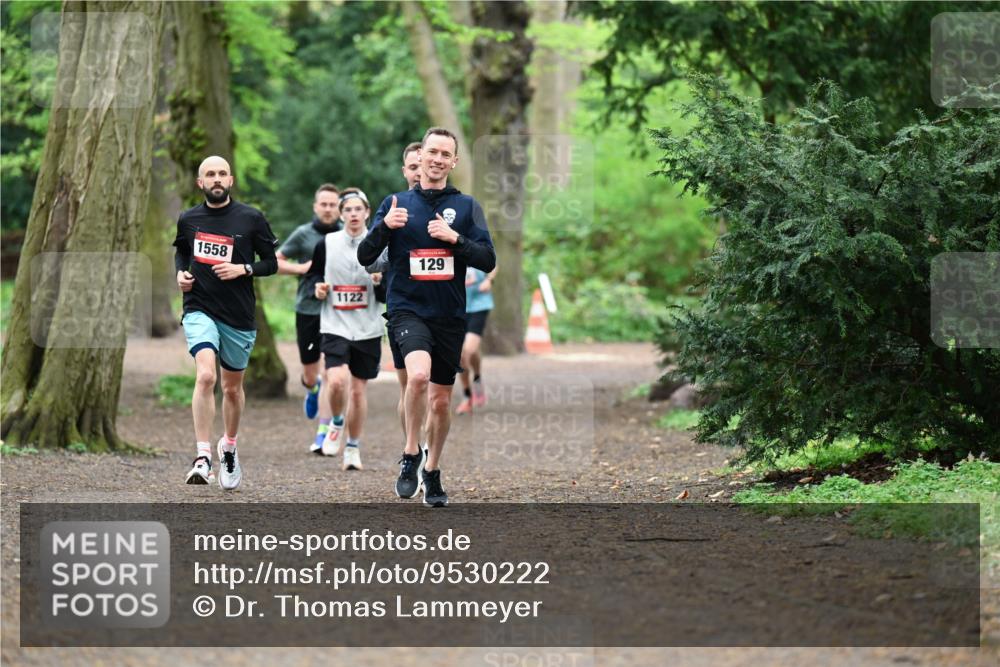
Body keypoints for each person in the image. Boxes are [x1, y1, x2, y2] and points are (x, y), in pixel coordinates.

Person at [358, 127, 496, 507]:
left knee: (440, 402)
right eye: (431, 152)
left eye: (444, 154)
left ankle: (432, 471)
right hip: (407, 309)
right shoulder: (396, 204)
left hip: (449, 314)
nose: (436, 159)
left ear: (453, 161)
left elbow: (488, 259)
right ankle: (410, 453)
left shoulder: (466, 208)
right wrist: (384, 228)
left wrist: (456, 240)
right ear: (420, 159)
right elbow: (365, 256)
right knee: (416, 377)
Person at [174, 155, 278, 490]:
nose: (216, 179)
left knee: (232, 389)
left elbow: (272, 263)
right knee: (206, 375)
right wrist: (181, 272)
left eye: (222, 173)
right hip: (199, 306)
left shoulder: (251, 218)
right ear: (200, 183)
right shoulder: (188, 219)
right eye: (209, 174)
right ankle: (202, 456)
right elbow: (181, 250)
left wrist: (243, 269)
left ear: (230, 180)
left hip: (238, 315)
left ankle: (228, 446)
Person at [304, 188, 384, 471]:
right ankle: (337, 421)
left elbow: (389, 291)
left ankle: (353, 447)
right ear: (341, 214)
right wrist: (319, 287)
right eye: (347, 210)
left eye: (357, 209)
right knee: (336, 381)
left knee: (359, 392)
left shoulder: (378, 245)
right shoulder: (326, 243)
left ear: (367, 213)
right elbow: (314, 275)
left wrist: (378, 282)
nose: (353, 214)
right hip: (335, 323)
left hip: (368, 327)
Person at [276, 184, 342, 454]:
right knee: (311, 373)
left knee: (331, 372)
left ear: (339, 208)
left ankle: (323, 432)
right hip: (308, 309)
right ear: (315, 207)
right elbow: (275, 261)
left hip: (337, 311)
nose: (328, 209)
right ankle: (311, 389)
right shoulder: (304, 234)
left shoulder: (345, 233)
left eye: (332, 205)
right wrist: (300, 268)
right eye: (323, 204)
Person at [455, 265, 497, 414]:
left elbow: (493, 263)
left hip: (479, 305)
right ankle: (467, 396)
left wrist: (489, 280)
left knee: (468, 350)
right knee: (461, 356)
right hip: (456, 306)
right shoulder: (444, 242)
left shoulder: (479, 241)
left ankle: (477, 379)